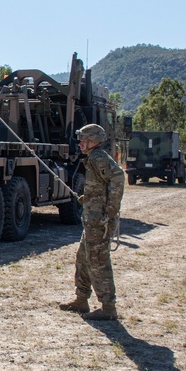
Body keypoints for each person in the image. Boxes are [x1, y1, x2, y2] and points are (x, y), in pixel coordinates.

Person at [59, 123, 125, 321]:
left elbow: (118, 177)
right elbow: (101, 186)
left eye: (84, 140)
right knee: (83, 258)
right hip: (92, 219)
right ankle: (81, 299)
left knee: (98, 261)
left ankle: (108, 307)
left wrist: (111, 209)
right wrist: (88, 198)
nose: (80, 143)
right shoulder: (93, 159)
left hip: (99, 221)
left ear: (93, 141)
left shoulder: (98, 158)